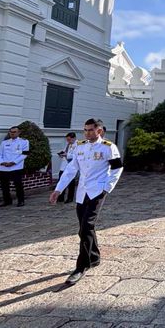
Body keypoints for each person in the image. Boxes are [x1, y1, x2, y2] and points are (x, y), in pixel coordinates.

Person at [50, 118, 123, 286]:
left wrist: (107, 187)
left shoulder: (108, 147)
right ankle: (94, 256)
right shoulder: (80, 146)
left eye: (91, 130)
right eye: (85, 130)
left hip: (97, 191)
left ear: (99, 131)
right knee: (85, 228)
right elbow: (71, 169)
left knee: (86, 227)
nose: (87, 133)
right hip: (82, 191)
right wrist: (58, 189)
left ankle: (81, 266)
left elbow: (117, 168)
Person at [0, 126, 29, 207]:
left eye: (14, 132)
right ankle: (7, 201)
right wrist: (2, 162)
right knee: (4, 186)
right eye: (11, 132)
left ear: (19, 132)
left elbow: (25, 154)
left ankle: (21, 201)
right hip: (4, 167)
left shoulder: (24, 142)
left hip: (16, 167)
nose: (12, 133)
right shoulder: (4, 142)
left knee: (18, 185)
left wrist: (14, 162)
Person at [56, 132, 78, 203]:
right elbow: (65, 151)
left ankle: (70, 198)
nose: (68, 141)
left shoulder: (78, 145)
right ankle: (61, 197)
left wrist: (66, 155)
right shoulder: (68, 144)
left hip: (71, 165)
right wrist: (61, 153)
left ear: (74, 138)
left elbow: (76, 155)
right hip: (64, 165)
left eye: (69, 139)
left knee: (71, 182)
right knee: (61, 180)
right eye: (67, 140)